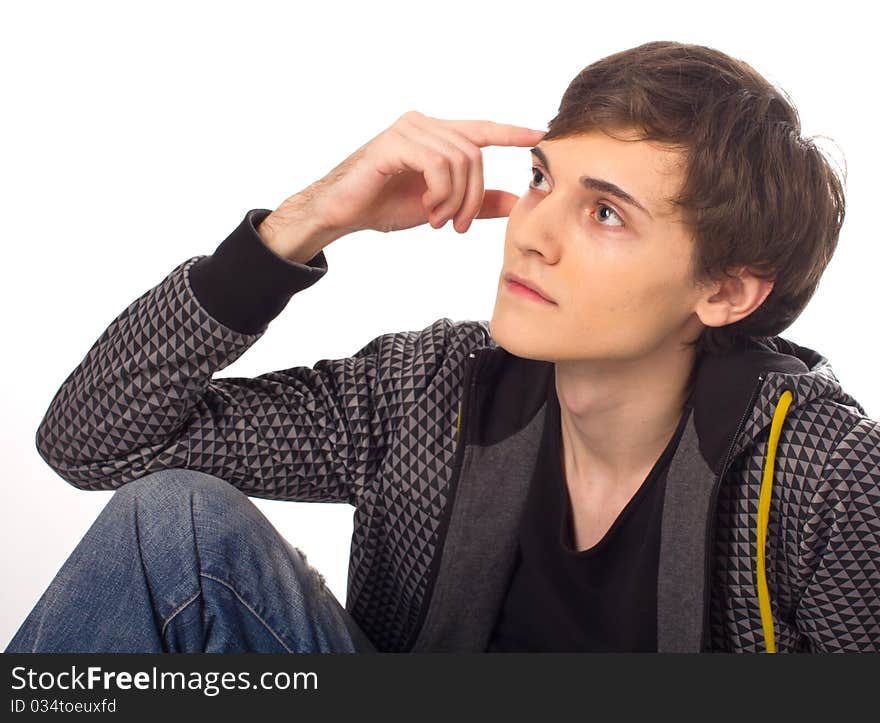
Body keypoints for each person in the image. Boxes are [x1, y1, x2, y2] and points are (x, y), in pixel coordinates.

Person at [6, 40, 879, 654]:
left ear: (724, 290)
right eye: (543, 179)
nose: (532, 233)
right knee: (175, 520)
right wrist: (300, 226)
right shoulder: (429, 391)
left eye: (606, 212)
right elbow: (94, 440)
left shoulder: (822, 475)